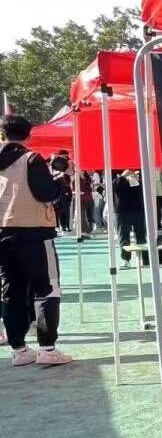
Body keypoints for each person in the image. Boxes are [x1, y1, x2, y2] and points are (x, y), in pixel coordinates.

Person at [0, 114, 71, 367]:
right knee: (47, 289)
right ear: (29, 136)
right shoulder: (31, 159)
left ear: (3, 135)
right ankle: (47, 347)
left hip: (3, 233)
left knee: (12, 291)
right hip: (35, 232)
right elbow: (46, 194)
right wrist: (61, 180)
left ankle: (19, 349)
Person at [113, 170, 147, 261]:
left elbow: (146, 189)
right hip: (122, 212)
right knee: (124, 237)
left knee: (141, 236)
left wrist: (138, 178)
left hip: (138, 210)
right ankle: (126, 259)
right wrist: (122, 176)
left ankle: (145, 258)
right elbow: (113, 186)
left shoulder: (140, 174)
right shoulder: (117, 177)